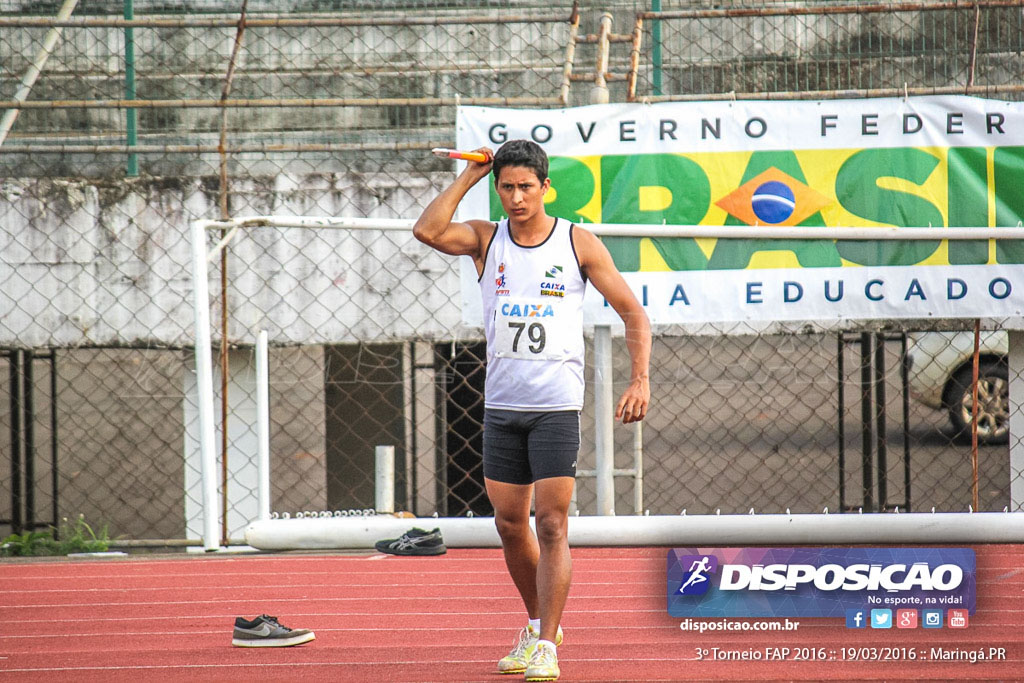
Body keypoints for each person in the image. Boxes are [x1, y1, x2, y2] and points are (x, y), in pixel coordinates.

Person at [413, 139, 651, 682]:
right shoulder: (485, 239)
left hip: (554, 406)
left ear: (546, 188)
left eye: (526, 187)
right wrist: (472, 176)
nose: (517, 197)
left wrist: (639, 379)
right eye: (507, 187)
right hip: (502, 405)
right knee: (508, 523)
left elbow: (632, 311)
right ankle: (537, 621)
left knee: (551, 524)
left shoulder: (576, 242)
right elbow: (427, 231)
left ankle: (548, 645)